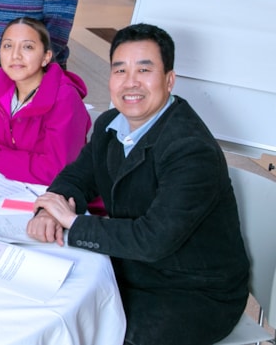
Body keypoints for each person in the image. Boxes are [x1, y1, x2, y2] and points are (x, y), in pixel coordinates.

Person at [27, 24, 249, 345]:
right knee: (46, 302)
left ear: (169, 80)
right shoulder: (110, 125)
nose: (130, 82)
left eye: (144, 70)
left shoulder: (190, 148)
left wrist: (71, 221)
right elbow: (77, 177)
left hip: (192, 292)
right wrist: (50, 210)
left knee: (92, 330)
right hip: (134, 268)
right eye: (120, 70)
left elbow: (152, 240)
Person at [0, 17, 89, 184]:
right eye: (8, 46)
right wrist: (20, 161)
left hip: (49, 191)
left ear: (46, 57)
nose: (15, 55)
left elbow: (57, 169)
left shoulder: (65, 98)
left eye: (27, 47)